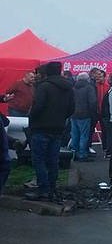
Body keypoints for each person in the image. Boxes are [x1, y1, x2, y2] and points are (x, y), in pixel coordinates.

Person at [26, 61, 74, 202]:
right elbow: (71, 108)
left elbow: (37, 107)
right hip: (58, 128)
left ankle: (43, 190)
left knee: (39, 160)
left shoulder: (44, 87)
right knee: (53, 160)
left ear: (47, 72)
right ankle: (52, 188)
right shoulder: (68, 88)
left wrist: (32, 117)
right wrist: (60, 118)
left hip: (41, 127)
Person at [70, 72, 97, 161]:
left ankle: (74, 153)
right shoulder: (89, 87)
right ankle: (82, 154)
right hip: (85, 114)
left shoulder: (73, 87)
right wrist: (93, 113)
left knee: (75, 135)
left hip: (74, 114)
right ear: (87, 79)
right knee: (84, 135)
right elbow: (92, 102)